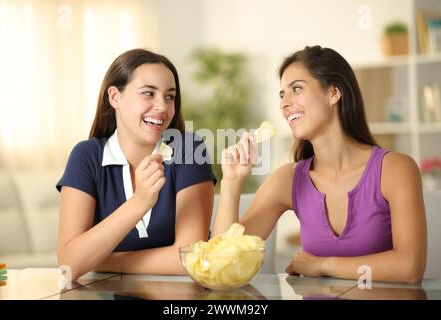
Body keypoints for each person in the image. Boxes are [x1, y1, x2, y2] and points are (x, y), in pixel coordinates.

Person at [213, 45, 427, 284]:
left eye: (296, 89)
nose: (284, 103)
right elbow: (225, 263)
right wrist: (231, 183)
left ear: (333, 93)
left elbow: (410, 267)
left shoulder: (395, 169)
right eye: (282, 94)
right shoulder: (289, 179)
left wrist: (323, 265)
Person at [56, 49, 216, 281]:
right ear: (115, 97)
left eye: (170, 96)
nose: (162, 106)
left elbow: (190, 259)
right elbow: (69, 264)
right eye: (148, 93)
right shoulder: (86, 156)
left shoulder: (189, 149)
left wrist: (103, 259)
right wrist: (140, 202)